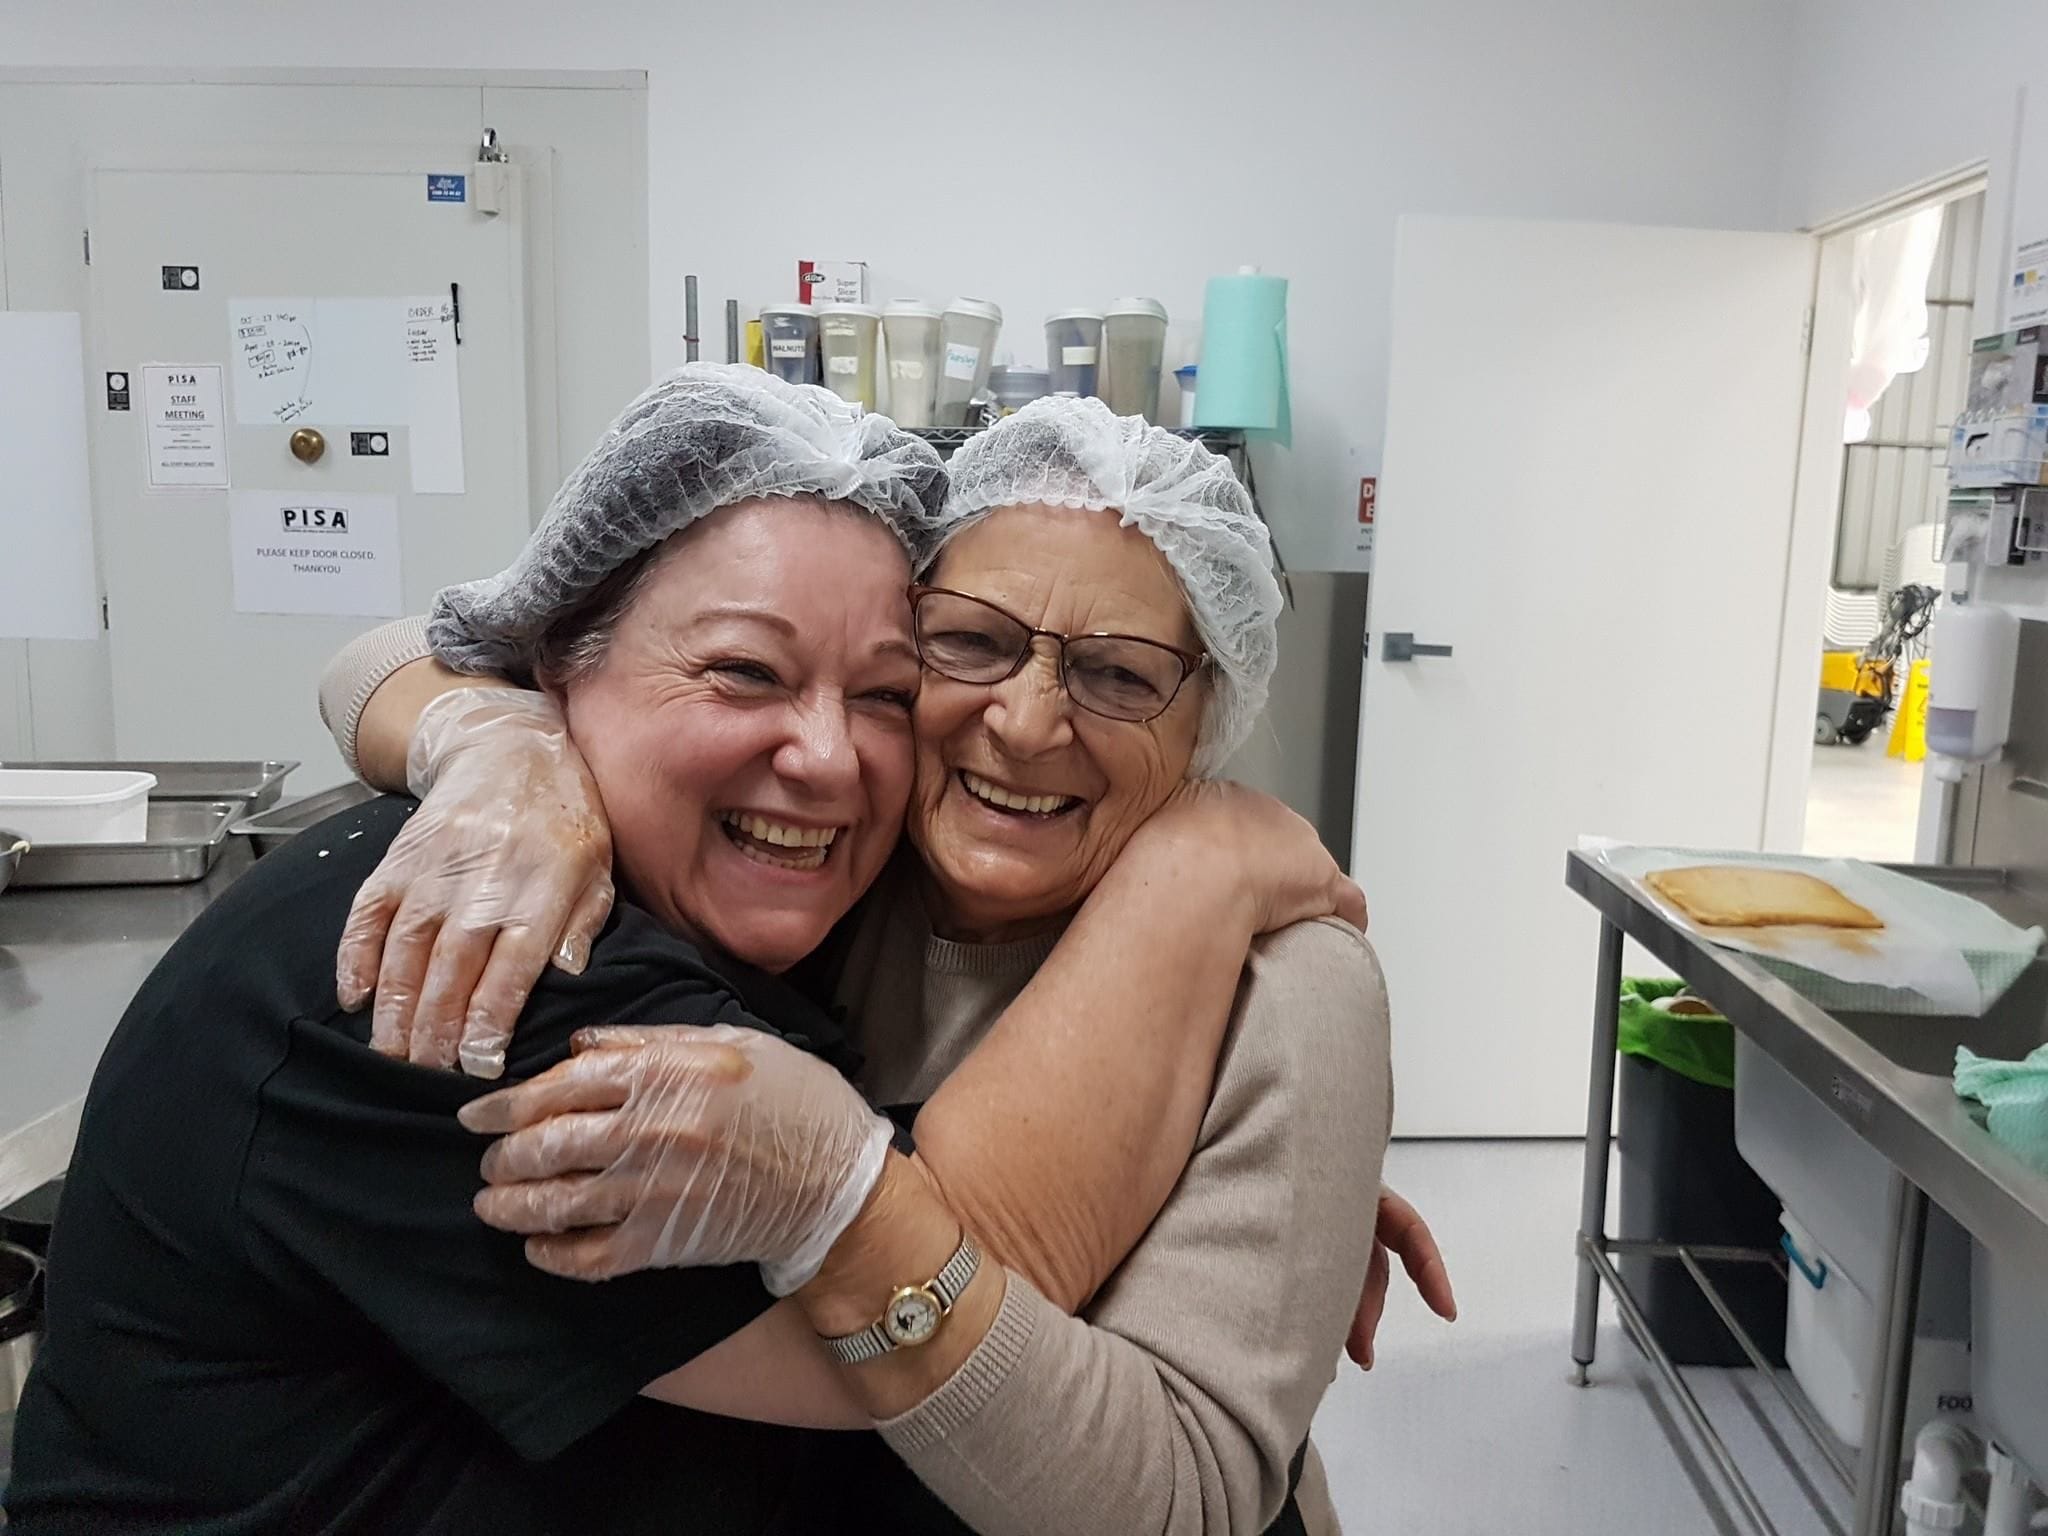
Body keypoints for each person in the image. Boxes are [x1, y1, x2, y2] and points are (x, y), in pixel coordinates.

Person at [3, 372, 1369, 1535]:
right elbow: (950, 1279)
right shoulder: (477, 958)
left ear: (1209, 717)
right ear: (553, 660)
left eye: (1121, 674)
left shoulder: (851, 873)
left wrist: (1273, 1183)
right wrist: (484, 738)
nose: (1019, 722)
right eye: (744, 672)